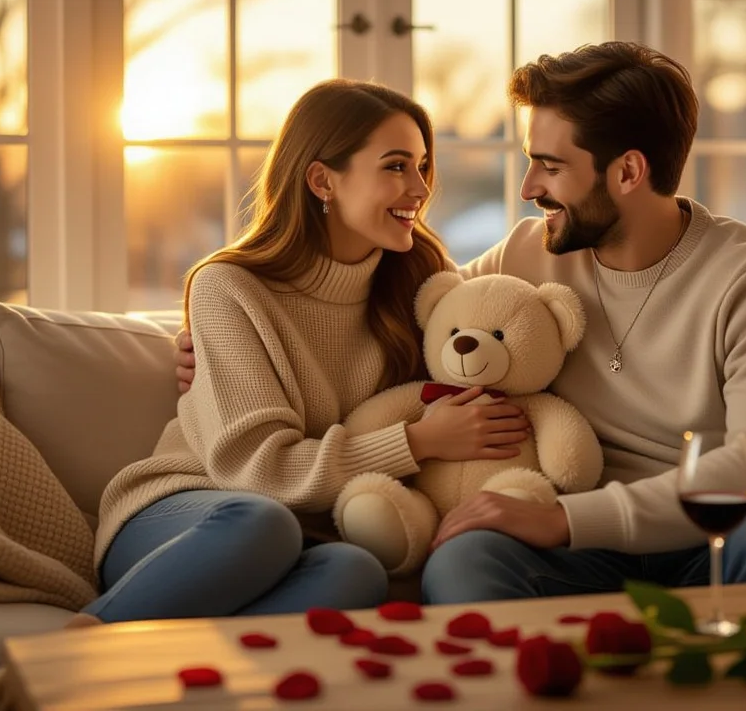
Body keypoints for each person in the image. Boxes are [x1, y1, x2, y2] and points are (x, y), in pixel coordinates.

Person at [176, 43, 746, 605]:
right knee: (464, 561)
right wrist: (212, 351)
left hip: (705, 538)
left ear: (628, 172)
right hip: (573, 551)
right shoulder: (527, 253)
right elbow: (427, 330)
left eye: (550, 166)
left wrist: (565, 517)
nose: (527, 187)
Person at [76, 80, 532, 625]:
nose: (419, 187)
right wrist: (416, 441)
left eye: (422, 166)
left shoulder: (425, 282)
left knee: (357, 573)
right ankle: (72, 649)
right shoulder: (230, 287)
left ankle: (175, 665)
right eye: (395, 166)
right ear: (322, 180)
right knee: (262, 522)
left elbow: (493, 337)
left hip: (308, 536)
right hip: (192, 516)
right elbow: (256, 473)